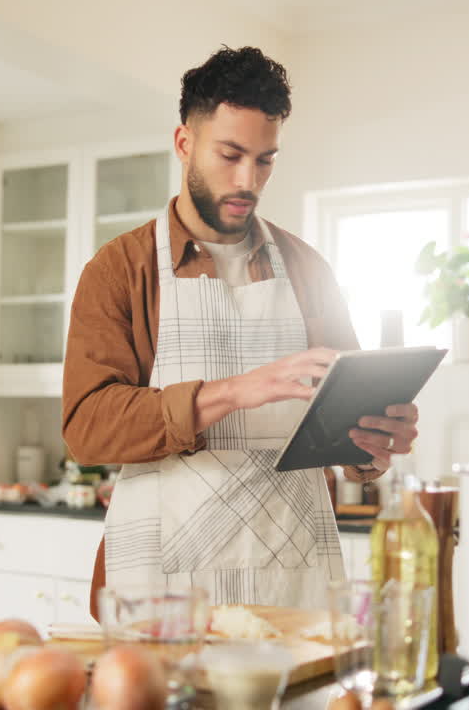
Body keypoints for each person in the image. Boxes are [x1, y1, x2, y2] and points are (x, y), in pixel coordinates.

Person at [62, 46, 419, 612]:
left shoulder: (307, 268)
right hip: (163, 586)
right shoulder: (119, 270)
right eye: (230, 155)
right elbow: (87, 428)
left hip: (292, 578)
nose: (247, 179)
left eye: (265, 160)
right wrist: (234, 391)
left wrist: (375, 444)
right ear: (185, 143)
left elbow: (348, 431)